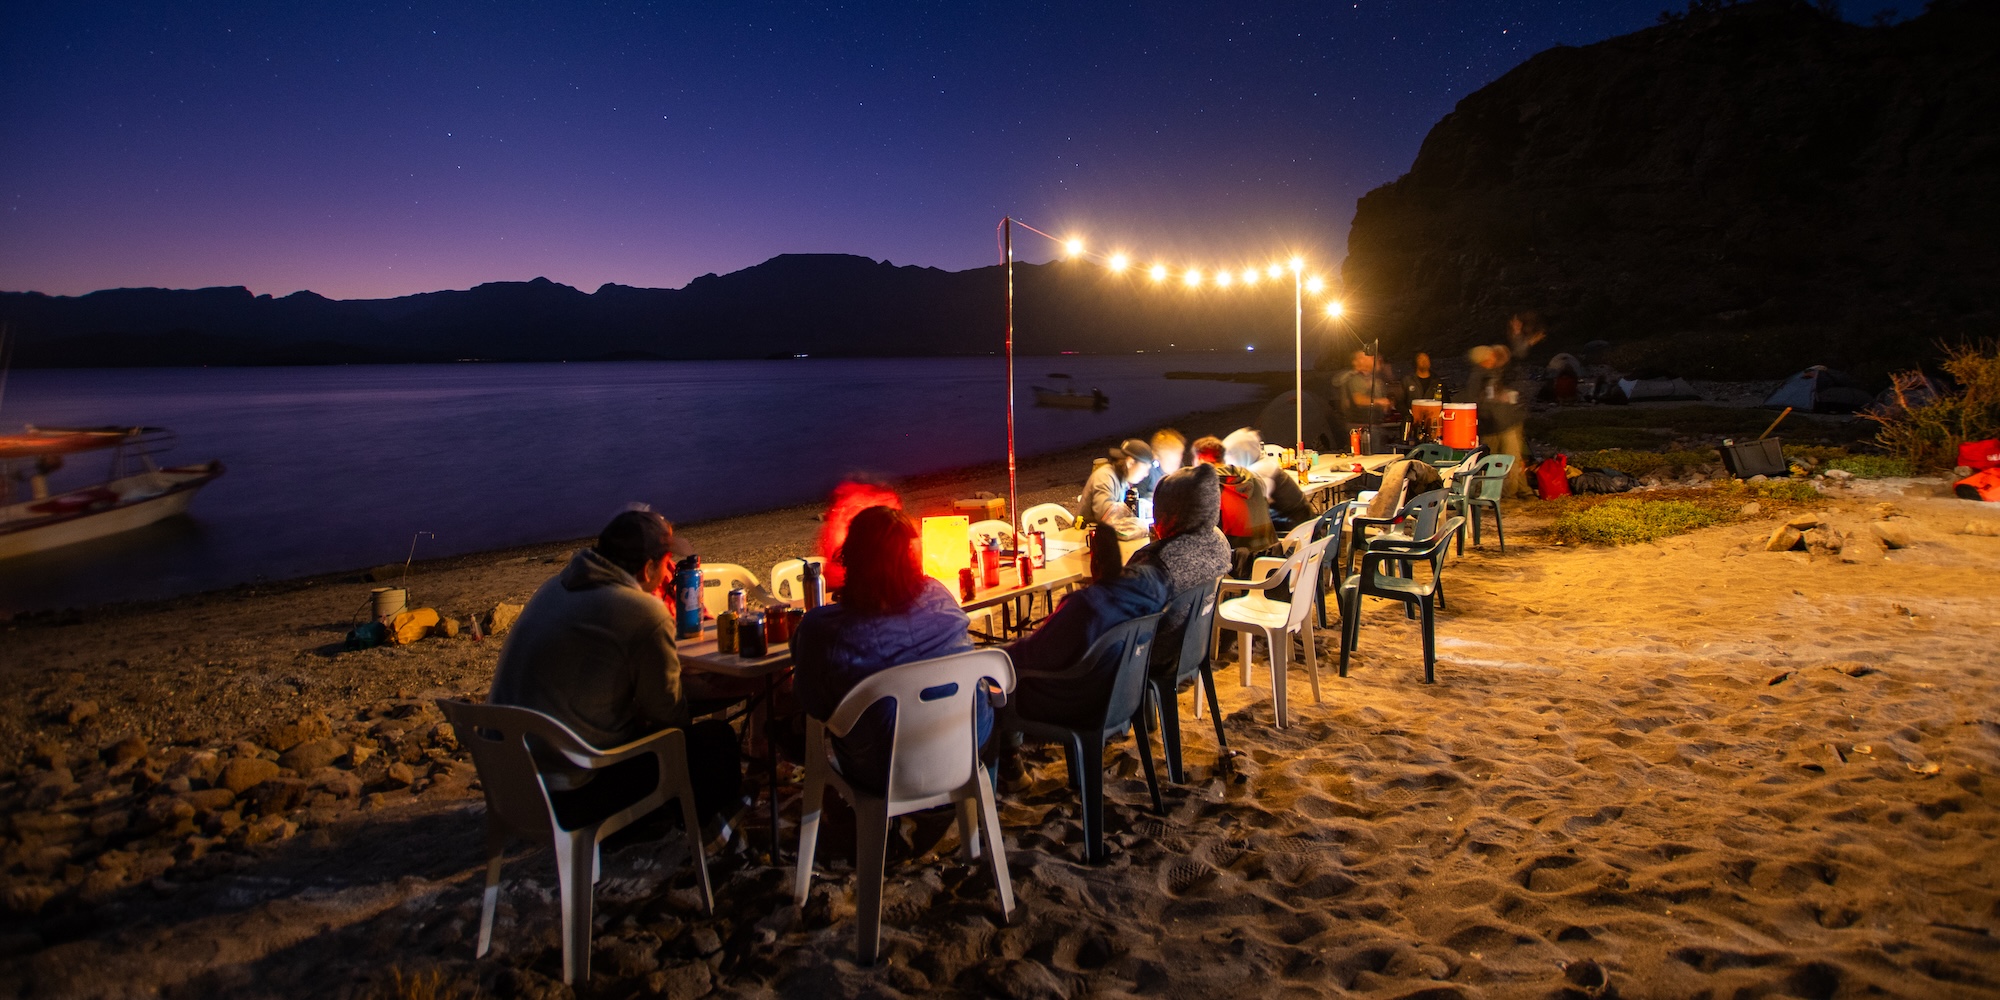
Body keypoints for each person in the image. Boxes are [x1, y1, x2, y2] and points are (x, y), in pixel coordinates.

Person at [490, 509, 741, 819]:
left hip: (507, 783)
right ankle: (705, 837)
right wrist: (729, 687)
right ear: (647, 568)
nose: (668, 575)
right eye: (665, 565)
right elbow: (668, 717)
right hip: (571, 793)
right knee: (715, 742)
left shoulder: (553, 588)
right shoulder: (642, 610)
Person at [791, 505, 982, 794]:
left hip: (883, 765)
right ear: (911, 558)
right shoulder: (939, 594)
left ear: (851, 559)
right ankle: (976, 801)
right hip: (967, 742)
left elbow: (814, 706)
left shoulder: (822, 628)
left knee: (793, 728)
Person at [1005, 523, 1172, 730]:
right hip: (1125, 692)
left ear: (1095, 562)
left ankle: (1007, 755)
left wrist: (994, 654)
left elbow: (1032, 655)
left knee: (989, 691)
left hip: (1080, 702)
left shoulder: (1086, 607)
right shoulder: (1152, 586)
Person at [1128, 463, 1231, 669]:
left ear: (1168, 512)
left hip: (1153, 656)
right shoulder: (1219, 540)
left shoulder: (1155, 560)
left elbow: (1120, 616)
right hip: (1195, 646)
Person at [1193, 434, 1275, 565]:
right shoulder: (1253, 477)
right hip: (1272, 559)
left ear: (1201, 460)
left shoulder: (1210, 487)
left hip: (1240, 565)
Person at [1468, 345, 1533, 498]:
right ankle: (1504, 494)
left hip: (1505, 423)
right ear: (1483, 360)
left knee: (1510, 458)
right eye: (1490, 356)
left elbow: (1512, 359)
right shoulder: (1481, 377)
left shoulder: (1496, 373)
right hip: (1496, 425)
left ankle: (1518, 491)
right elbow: (1479, 402)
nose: (1493, 358)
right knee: (1506, 459)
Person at [1226, 427, 1313, 535]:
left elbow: (1254, 505)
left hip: (1293, 529)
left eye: (1230, 455)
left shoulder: (1259, 471)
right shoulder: (1263, 464)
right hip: (1300, 522)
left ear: (1242, 453)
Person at [1079, 438, 1154, 540]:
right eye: (1145, 468)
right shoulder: (1105, 477)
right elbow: (1106, 516)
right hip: (1084, 540)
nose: (1146, 474)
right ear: (1130, 463)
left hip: (1104, 539)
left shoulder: (1122, 479)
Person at [1332, 349, 1396, 453]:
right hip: (1362, 428)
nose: (1373, 358)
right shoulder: (1356, 378)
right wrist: (1380, 401)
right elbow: (1359, 400)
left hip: (1373, 427)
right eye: (1368, 357)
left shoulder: (1373, 379)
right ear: (1359, 361)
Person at [1133, 427, 1187, 514]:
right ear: (1156, 458)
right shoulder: (1148, 472)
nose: (1175, 467)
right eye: (1171, 462)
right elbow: (1139, 496)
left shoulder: (1181, 470)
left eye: (1177, 461)